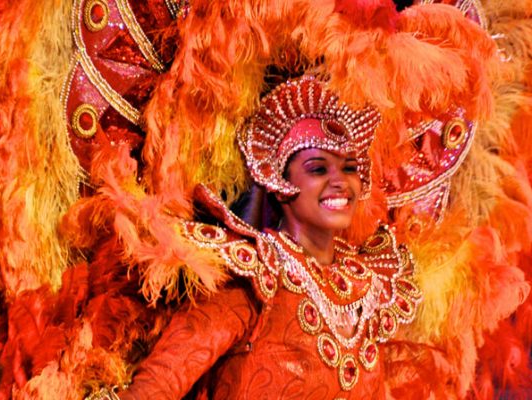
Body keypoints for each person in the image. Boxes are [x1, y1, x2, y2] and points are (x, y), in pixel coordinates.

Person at [116, 75, 422, 399]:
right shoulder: (255, 277)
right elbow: (157, 386)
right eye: (318, 169)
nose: (340, 182)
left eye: (349, 168)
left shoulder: (369, 288)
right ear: (279, 180)